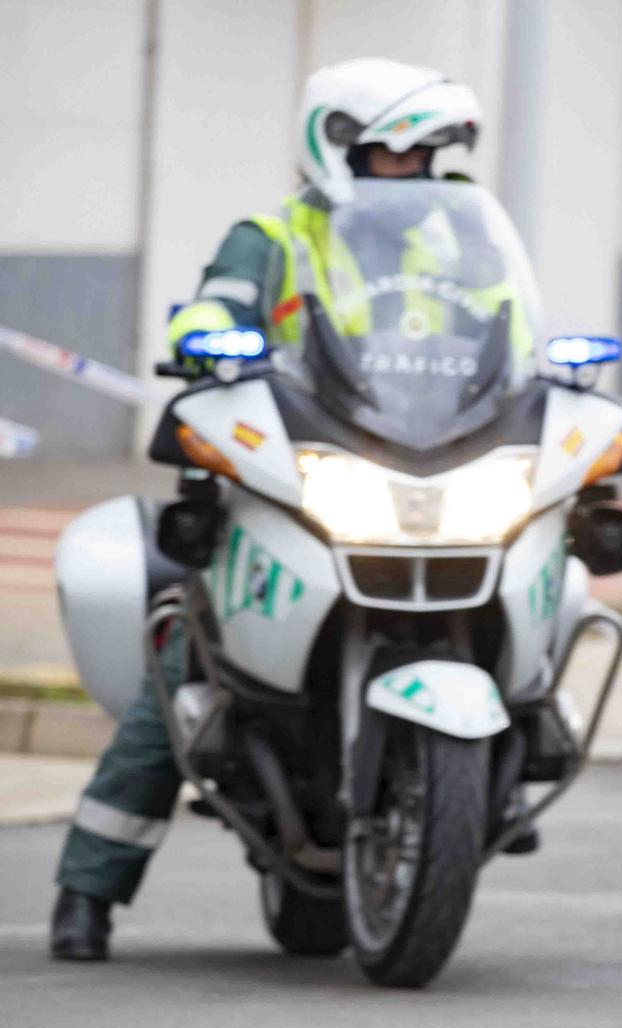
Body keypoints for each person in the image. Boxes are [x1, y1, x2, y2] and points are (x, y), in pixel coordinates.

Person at [48, 58, 484, 961]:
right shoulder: (273, 234)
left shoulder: (449, 242)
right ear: (335, 148)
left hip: (414, 460)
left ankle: (492, 767)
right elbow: (211, 311)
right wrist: (209, 340)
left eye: (421, 157)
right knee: (187, 661)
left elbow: (495, 334)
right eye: (385, 155)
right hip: (287, 464)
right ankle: (86, 891)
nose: (405, 173)